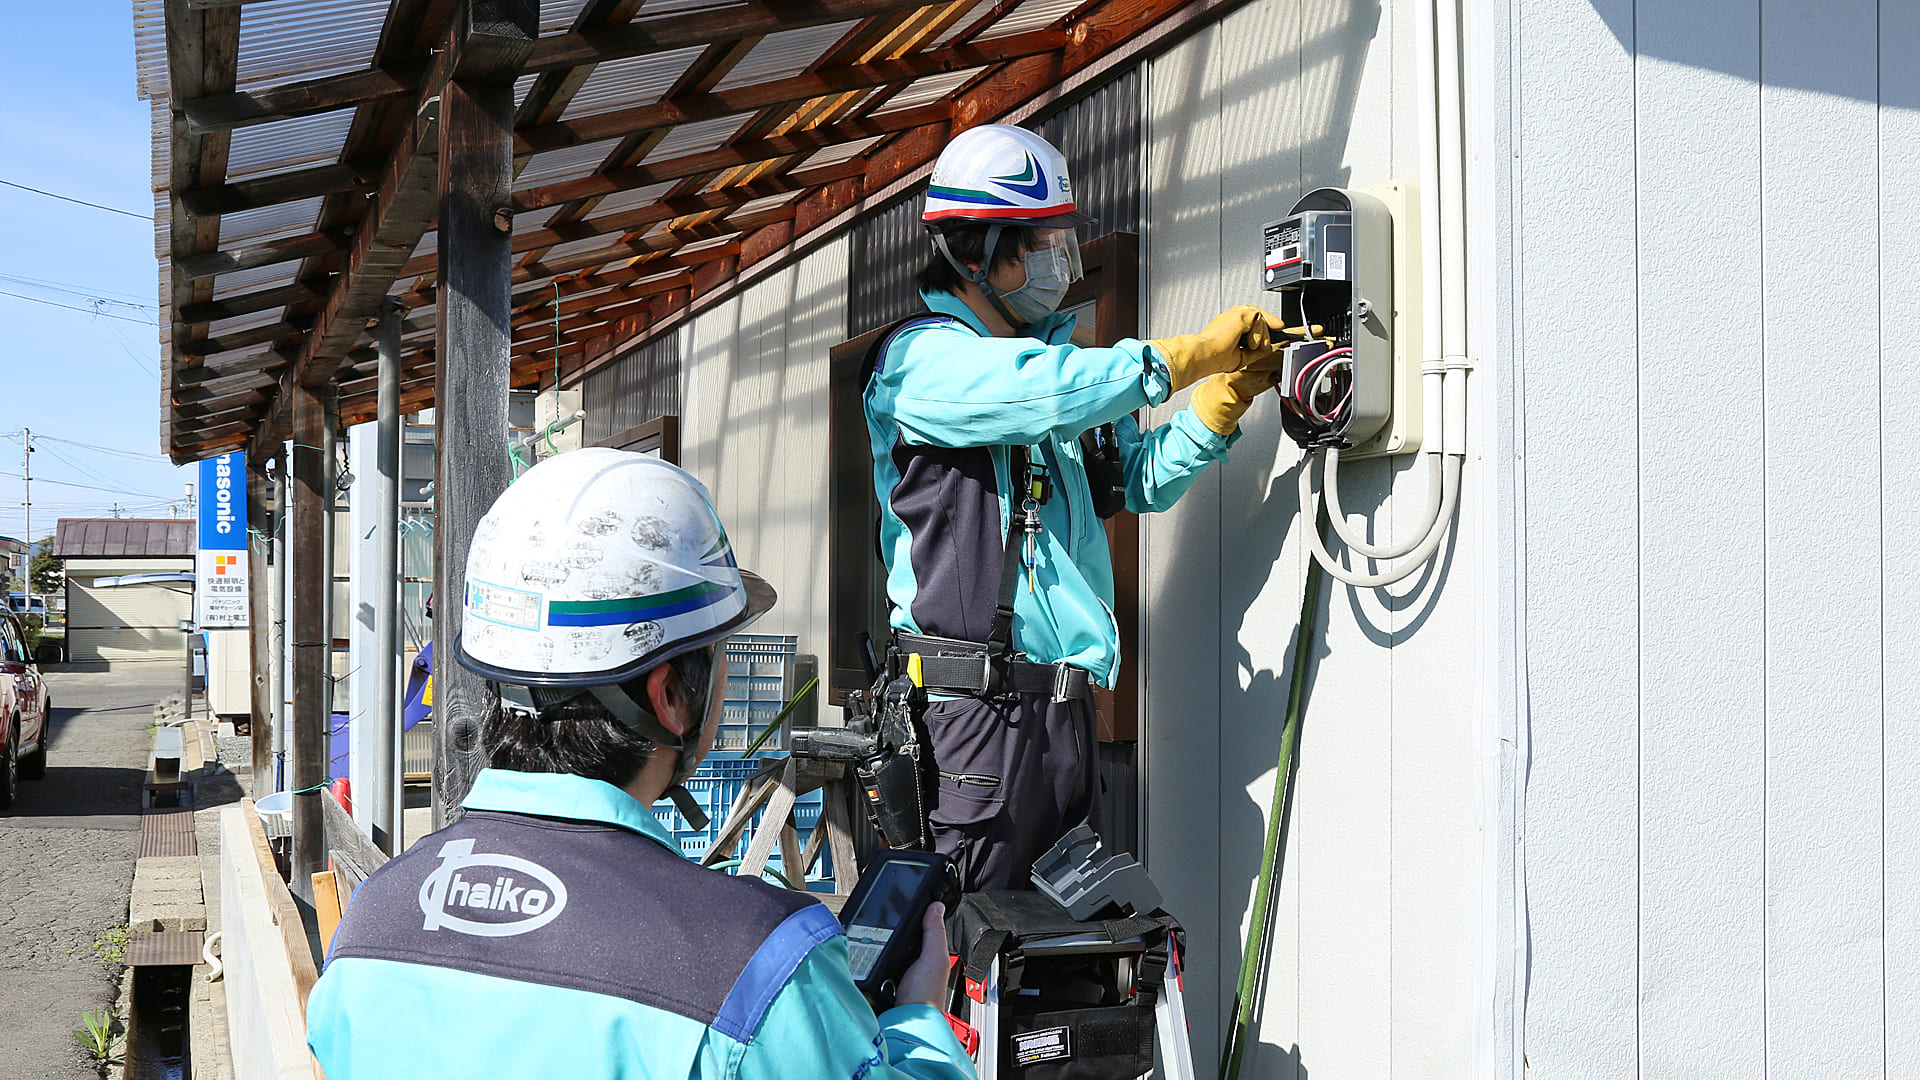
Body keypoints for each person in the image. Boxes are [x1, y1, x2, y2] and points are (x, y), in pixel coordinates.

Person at [307, 449, 976, 1080]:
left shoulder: (371, 923)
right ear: (669, 696)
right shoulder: (753, 964)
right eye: (716, 658)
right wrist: (919, 1019)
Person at [865, 124, 1289, 890]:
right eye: (1038, 243)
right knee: (969, 943)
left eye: (1061, 240)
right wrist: (1187, 355)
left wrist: (1221, 404)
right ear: (975, 253)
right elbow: (1043, 391)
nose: (1058, 263)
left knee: (1056, 956)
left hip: (1060, 716)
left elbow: (1138, 479)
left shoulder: (1057, 364)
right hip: (973, 720)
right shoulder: (918, 363)